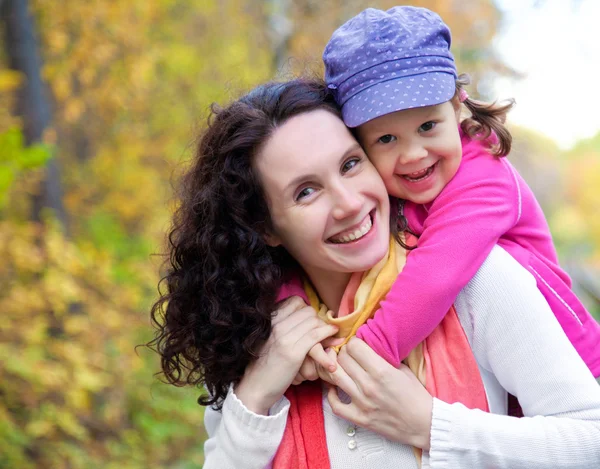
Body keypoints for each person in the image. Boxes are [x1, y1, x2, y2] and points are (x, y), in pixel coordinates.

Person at [149, 78, 600, 468]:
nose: (349, 203)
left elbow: (591, 438)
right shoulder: (252, 331)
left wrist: (431, 426)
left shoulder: (477, 281)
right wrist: (257, 394)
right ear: (266, 226)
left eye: (350, 164)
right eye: (306, 192)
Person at [316, 6, 600, 378]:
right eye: (386, 138)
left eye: (428, 126)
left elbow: (434, 278)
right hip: (485, 368)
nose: (414, 153)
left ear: (456, 107)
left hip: (567, 365)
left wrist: (359, 359)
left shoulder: (484, 176)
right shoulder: (376, 194)